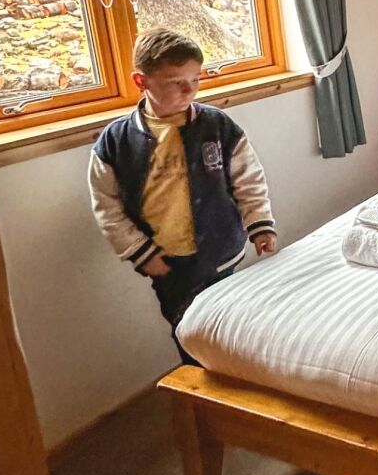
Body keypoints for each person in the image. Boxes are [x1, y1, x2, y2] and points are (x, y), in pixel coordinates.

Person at [88, 27, 277, 361]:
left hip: (222, 254)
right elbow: (107, 207)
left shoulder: (217, 126)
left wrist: (259, 223)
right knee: (189, 335)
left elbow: (248, 179)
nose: (189, 90)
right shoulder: (116, 142)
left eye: (195, 79)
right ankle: (199, 388)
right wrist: (141, 253)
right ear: (141, 81)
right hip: (167, 264)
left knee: (235, 330)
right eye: (176, 82)